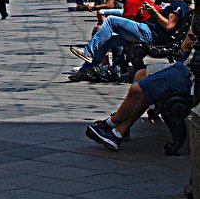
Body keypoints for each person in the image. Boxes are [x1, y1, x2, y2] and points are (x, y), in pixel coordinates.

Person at [84, 12, 197, 151]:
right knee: (140, 75)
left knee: (137, 89)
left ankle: (110, 124)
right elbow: (184, 47)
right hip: (183, 66)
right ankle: (118, 133)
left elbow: (184, 45)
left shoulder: (183, 12)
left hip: (189, 74)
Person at [68, 0, 179, 77]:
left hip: (148, 33)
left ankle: (89, 52)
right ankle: (85, 71)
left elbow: (123, 25)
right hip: (142, 31)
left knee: (110, 21)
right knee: (106, 41)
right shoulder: (130, 1)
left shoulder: (132, 1)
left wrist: (104, 29)